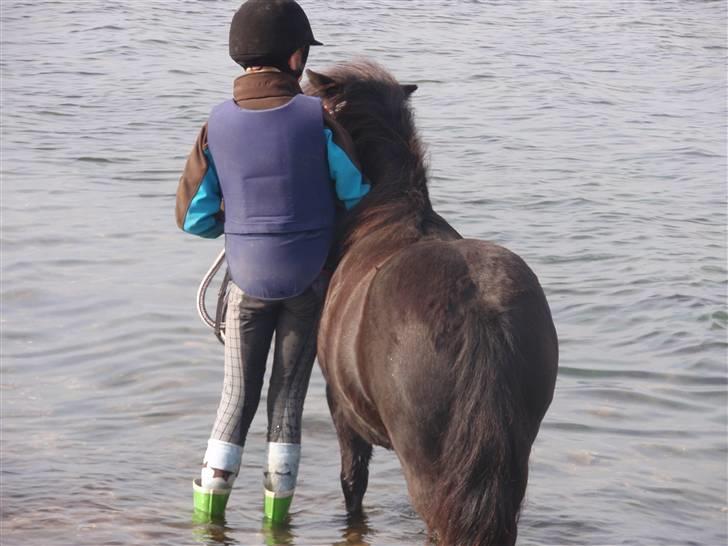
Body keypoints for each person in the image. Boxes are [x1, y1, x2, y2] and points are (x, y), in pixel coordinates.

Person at [175, 0, 369, 522]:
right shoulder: (318, 118)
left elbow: (193, 218)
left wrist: (237, 227)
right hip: (308, 281)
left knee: (235, 400)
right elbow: (355, 193)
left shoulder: (215, 126)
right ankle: (276, 528)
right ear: (296, 58)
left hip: (246, 282)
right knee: (286, 409)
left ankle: (205, 524)